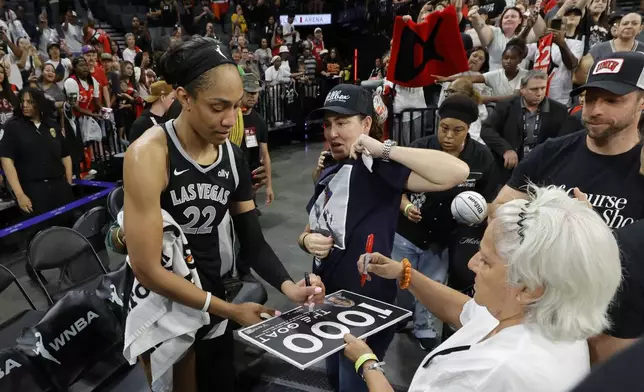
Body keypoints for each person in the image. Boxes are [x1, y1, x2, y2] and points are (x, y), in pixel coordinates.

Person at [122, 37, 325, 392]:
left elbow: (252, 241)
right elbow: (147, 269)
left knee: (218, 380)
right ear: (184, 97)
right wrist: (230, 311)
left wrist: (290, 287)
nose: (230, 119)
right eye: (218, 107)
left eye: (236, 107)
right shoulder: (149, 155)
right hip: (162, 298)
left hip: (211, 288)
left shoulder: (231, 156)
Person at [345, 185, 622, 392]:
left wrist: (367, 363)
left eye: (486, 261)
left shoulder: (494, 373)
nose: (472, 263)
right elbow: (468, 312)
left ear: (529, 287)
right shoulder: (545, 315)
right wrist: (405, 274)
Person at [297, 84, 470, 392]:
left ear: (365, 124)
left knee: (354, 382)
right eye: (328, 124)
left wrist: (383, 148)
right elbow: (313, 229)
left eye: (343, 122)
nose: (333, 132)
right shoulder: (330, 167)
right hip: (327, 299)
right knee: (335, 379)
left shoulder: (376, 165)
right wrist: (305, 242)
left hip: (366, 304)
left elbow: (456, 172)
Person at [492, 51, 644, 362]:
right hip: (537, 320)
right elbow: (499, 212)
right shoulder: (553, 152)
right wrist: (560, 225)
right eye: (590, 99)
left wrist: (592, 232)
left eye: (612, 101)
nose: (595, 110)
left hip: (612, 331)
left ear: (642, 103)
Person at [393, 95, 498, 351]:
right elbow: (394, 187)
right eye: (444, 128)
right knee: (397, 278)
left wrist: (478, 214)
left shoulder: (482, 158)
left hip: (444, 237)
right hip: (406, 232)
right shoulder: (420, 149)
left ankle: (425, 327)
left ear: (469, 129)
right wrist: (406, 206)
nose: (449, 135)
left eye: (457, 130)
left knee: (433, 282)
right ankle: (396, 316)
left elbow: (490, 199)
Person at [0, 87, 73, 215]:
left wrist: (68, 183)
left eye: (30, 102)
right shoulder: (13, 127)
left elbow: (65, 155)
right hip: (33, 189)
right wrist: (20, 194)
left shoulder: (51, 125)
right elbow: (6, 161)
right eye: (23, 101)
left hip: (59, 185)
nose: (25, 105)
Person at [240, 73, 274, 206]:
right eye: (249, 92)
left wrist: (269, 186)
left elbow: (265, 154)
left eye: (255, 93)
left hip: (250, 179)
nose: (252, 96)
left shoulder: (259, 121)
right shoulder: (231, 118)